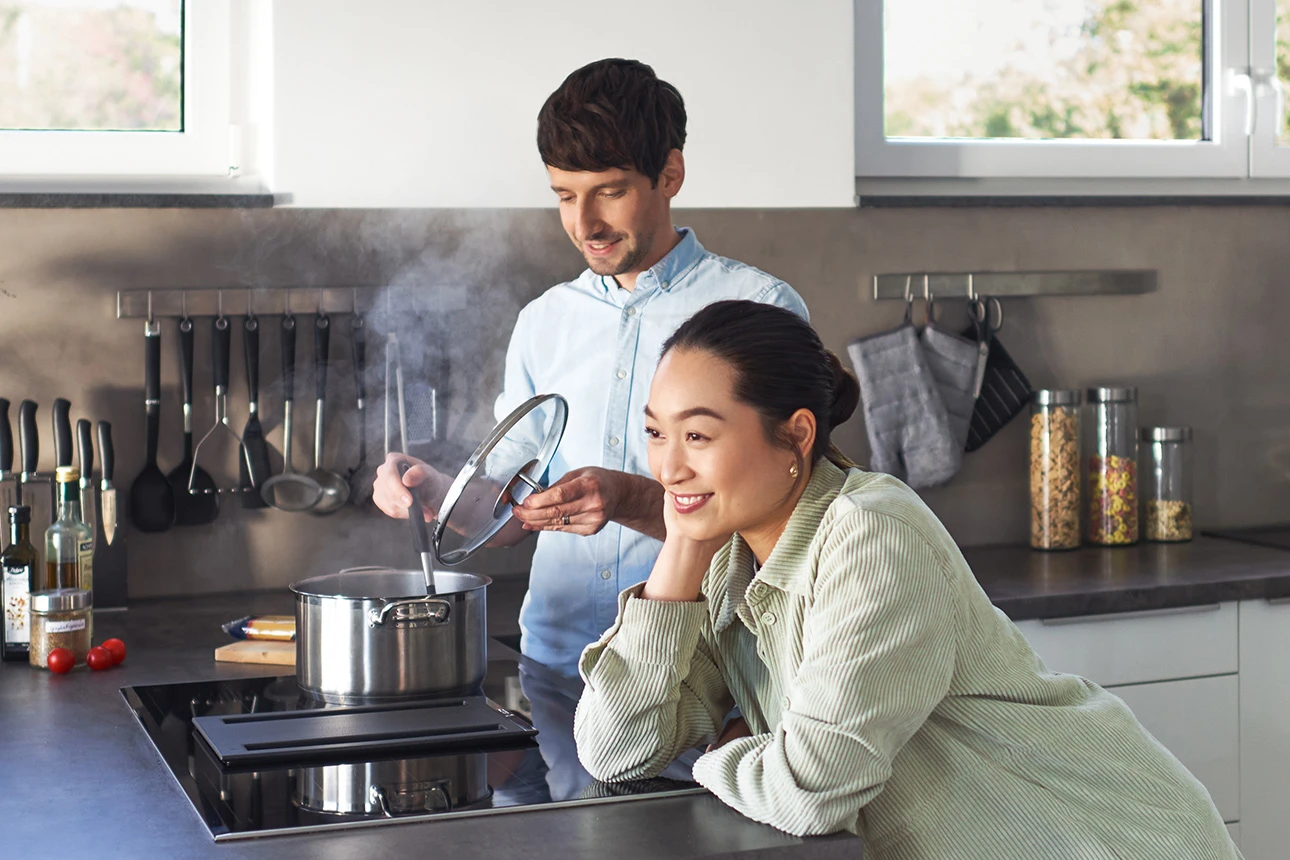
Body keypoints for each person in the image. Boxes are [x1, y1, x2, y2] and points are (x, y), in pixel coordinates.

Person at [573, 300, 1240, 859]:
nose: (667, 467)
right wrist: (683, 551)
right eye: (656, 433)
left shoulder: (870, 536)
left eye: (698, 437)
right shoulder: (732, 563)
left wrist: (714, 759)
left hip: (1105, 842)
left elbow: (811, 790)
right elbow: (616, 749)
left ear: (796, 434)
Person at [372, 59, 807, 676]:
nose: (585, 225)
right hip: (557, 662)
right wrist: (433, 491)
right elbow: (509, 514)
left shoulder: (759, 310)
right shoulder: (544, 321)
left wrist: (629, 498)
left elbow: (785, 526)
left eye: (610, 191)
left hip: (709, 675)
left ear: (670, 174)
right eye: (565, 196)